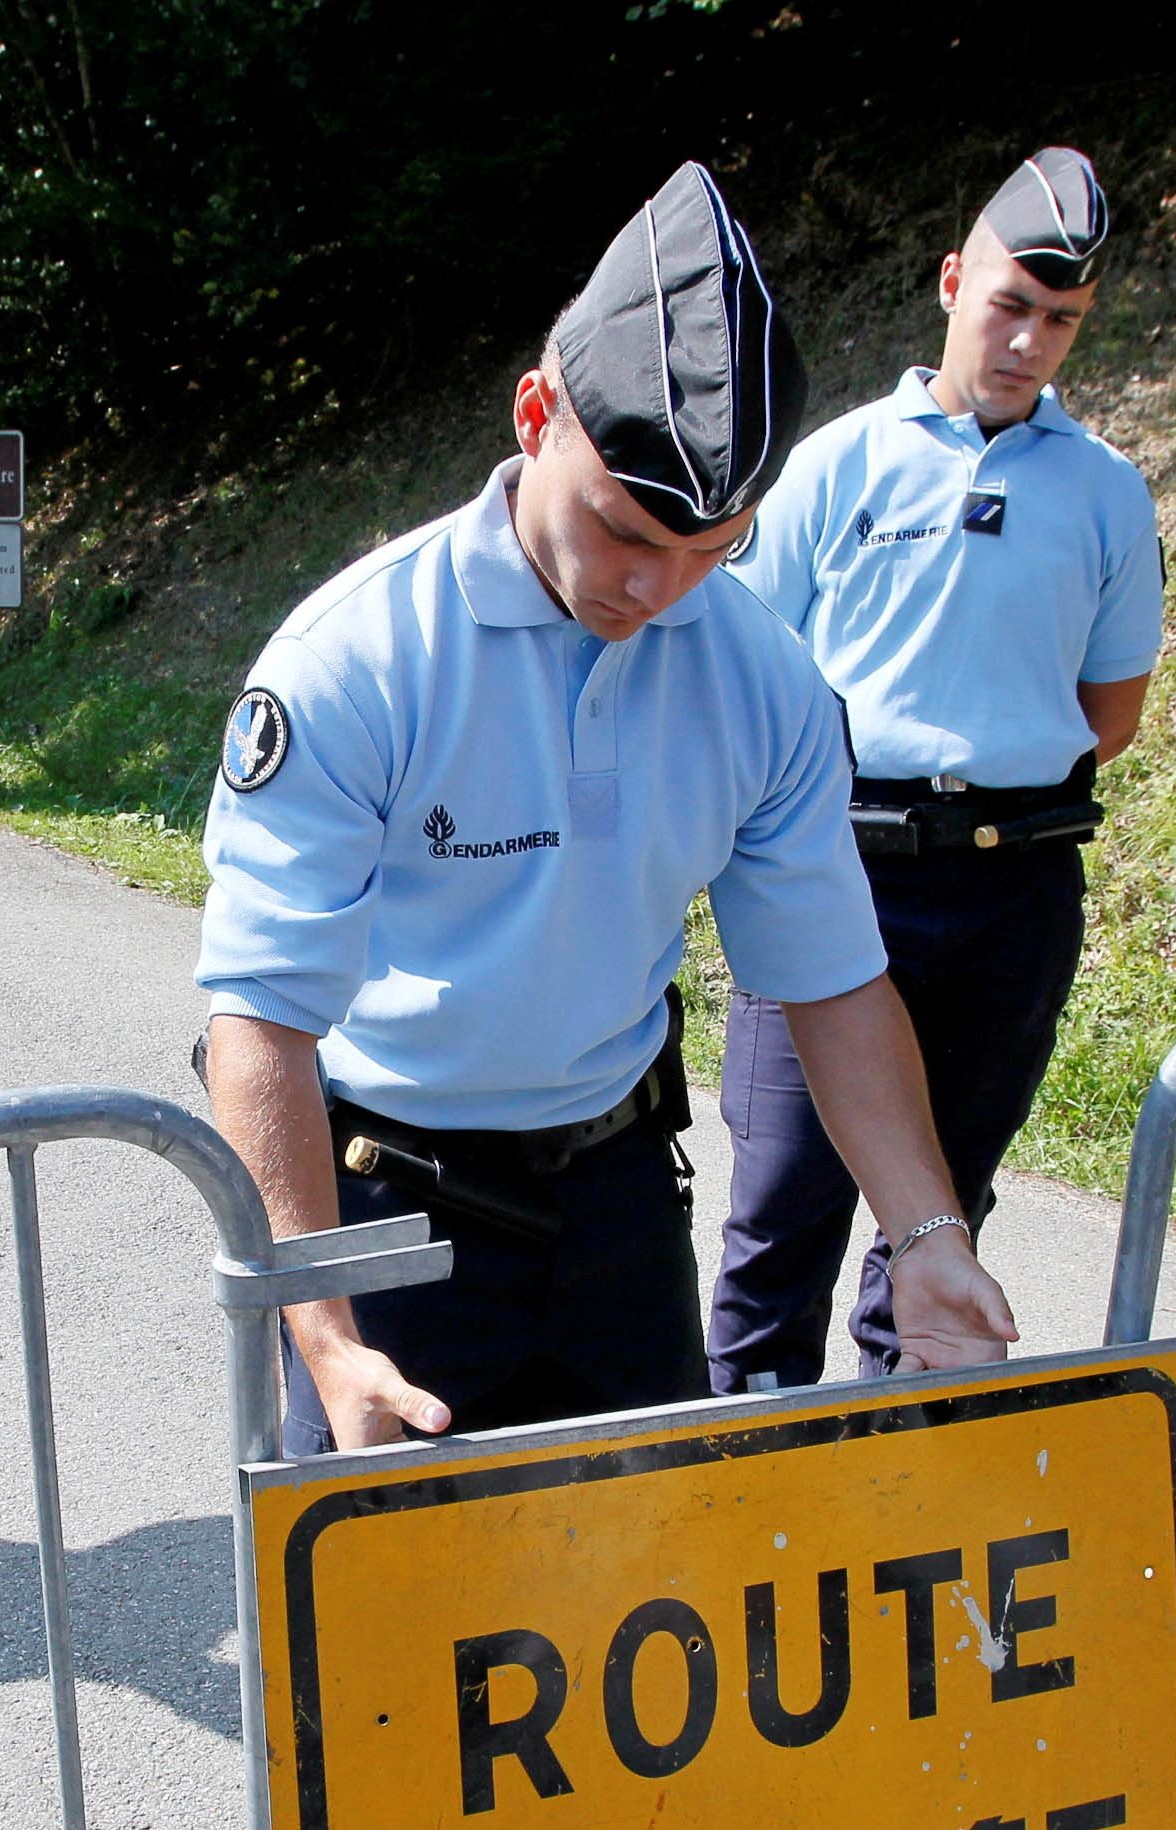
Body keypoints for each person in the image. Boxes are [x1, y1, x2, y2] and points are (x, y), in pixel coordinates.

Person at [197, 162, 1018, 1456]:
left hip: (620, 1205)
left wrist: (926, 1235)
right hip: (391, 1213)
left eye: (716, 549)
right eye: (626, 528)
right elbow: (258, 1025)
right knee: (397, 1636)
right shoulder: (355, 661)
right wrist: (330, 1338)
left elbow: (835, 985)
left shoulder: (764, 680)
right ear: (537, 414)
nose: (658, 588)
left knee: (654, 1607)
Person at [706, 146, 1161, 1390]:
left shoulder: (1106, 493)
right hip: (836, 873)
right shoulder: (839, 462)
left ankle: (889, 1478)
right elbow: (743, 668)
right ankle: (745, 1487)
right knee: (779, 1223)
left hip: (1012, 889)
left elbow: (1106, 709)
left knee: (939, 1216)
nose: (1027, 340)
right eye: (1010, 303)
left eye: (1059, 319)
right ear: (953, 281)